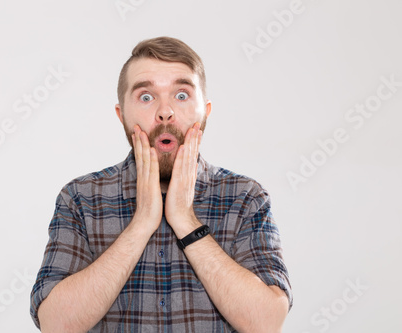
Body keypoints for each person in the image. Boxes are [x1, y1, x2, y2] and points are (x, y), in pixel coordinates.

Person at [30, 36, 292, 332]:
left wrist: (186, 221)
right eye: (146, 96)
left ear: (204, 111)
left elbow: (267, 322)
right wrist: (142, 223)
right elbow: (56, 324)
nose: (165, 111)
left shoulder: (246, 197)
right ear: (122, 116)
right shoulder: (80, 198)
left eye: (181, 95)